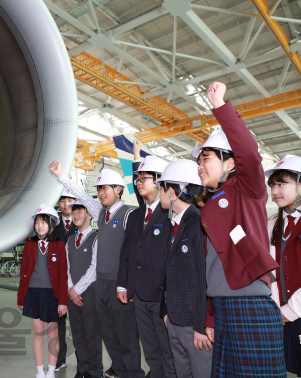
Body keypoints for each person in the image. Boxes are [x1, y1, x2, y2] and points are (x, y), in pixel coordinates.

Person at [194, 81, 286, 377]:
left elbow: (249, 153)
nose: (200, 167)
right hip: (222, 303)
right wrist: (210, 313)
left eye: (206, 159)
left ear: (230, 163)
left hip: (248, 298)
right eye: (199, 161)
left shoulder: (247, 188)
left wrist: (220, 106)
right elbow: (212, 260)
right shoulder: (212, 201)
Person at [49, 161, 144, 378]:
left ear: (118, 189)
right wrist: (61, 176)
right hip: (101, 284)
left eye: (105, 188)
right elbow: (82, 197)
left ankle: (133, 373)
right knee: (109, 334)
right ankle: (118, 369)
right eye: (99, 189)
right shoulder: (102, 214)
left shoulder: (129, 215)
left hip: (120, 283)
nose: (101, 193)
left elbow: (135, 251)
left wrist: (130, 283)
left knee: (126, 335)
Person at [117, 142, 175, 378]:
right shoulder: (135, 215)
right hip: (139, 294)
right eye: (137, 179)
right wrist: (123, 284)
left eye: (144, 179)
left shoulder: (171, 212)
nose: (138, 183)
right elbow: (127, 252)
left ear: (160, 182)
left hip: (161, 295)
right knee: (150, 348)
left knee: (167, 349)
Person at [156, 160, 212, 378]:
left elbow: (202, 279)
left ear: (171, 192)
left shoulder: (198, 223)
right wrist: (167, 311)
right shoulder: (174, 224)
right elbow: (170, 274)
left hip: (193, 326)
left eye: (162, 188)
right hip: (175, 320)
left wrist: (200, 326)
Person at [18, 204, 68, 378]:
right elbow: (23, 272)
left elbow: (63, 275)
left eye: (44, 222)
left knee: (53, 334)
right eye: (37, 222)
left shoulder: (59, 246)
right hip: (33, 293)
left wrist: (62, 301)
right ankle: (40, 371)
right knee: (38, 333)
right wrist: (21, 298)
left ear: (52, 224)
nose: (40, 226)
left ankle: (51, 371)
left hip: (52, 295)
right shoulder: (30, 245)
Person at [266, 155, 301, 377]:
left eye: (282, 183)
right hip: (281, 314)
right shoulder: (272, 223)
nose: (275, 190)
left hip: (293, 311)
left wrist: (291, 310)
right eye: (272, 185)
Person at [65, 199, 103, 378]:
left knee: (92, 334)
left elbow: (94, 268)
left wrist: (77, 289)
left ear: (89, 214)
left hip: (89, 294)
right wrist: (71, 288)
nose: (76, 215)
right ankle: (82, 369)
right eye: (74, 212)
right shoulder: (70, 240)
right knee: (78, 334)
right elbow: (65, 268)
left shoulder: (96, 238)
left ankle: (95, 371)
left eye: (80, 211)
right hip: (72, 295)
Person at [54, 189, 78, 372]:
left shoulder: (81, 224)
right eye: (62, 200)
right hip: (59, 282)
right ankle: (60, 357)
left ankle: (83, 361)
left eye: (69, 200)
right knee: (58, 322)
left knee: (80, 324)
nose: (65, 204)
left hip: (78, 281)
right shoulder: (53, 226)